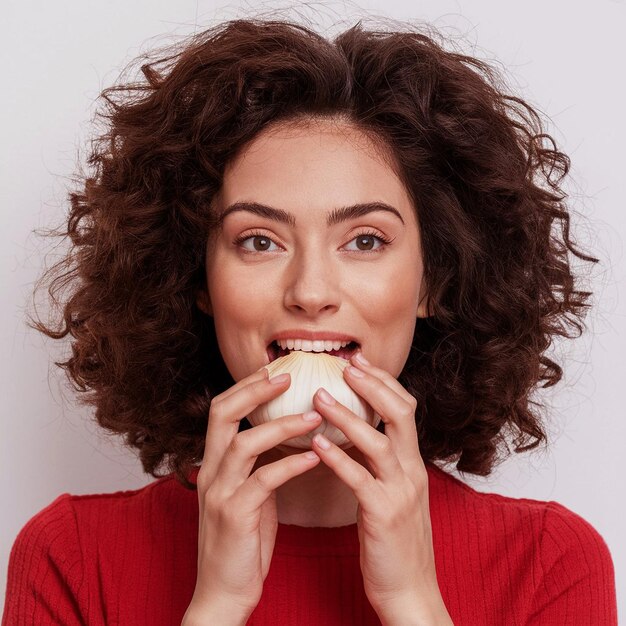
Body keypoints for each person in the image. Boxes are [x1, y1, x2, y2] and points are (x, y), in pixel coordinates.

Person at [2, 16, 617, 626]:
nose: (311, 292)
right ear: (197, 280)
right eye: (260, 241)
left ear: (435, 280)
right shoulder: (71, 556)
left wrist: (413, 604)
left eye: (366, 240)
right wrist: (217, 606)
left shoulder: (549, 564)